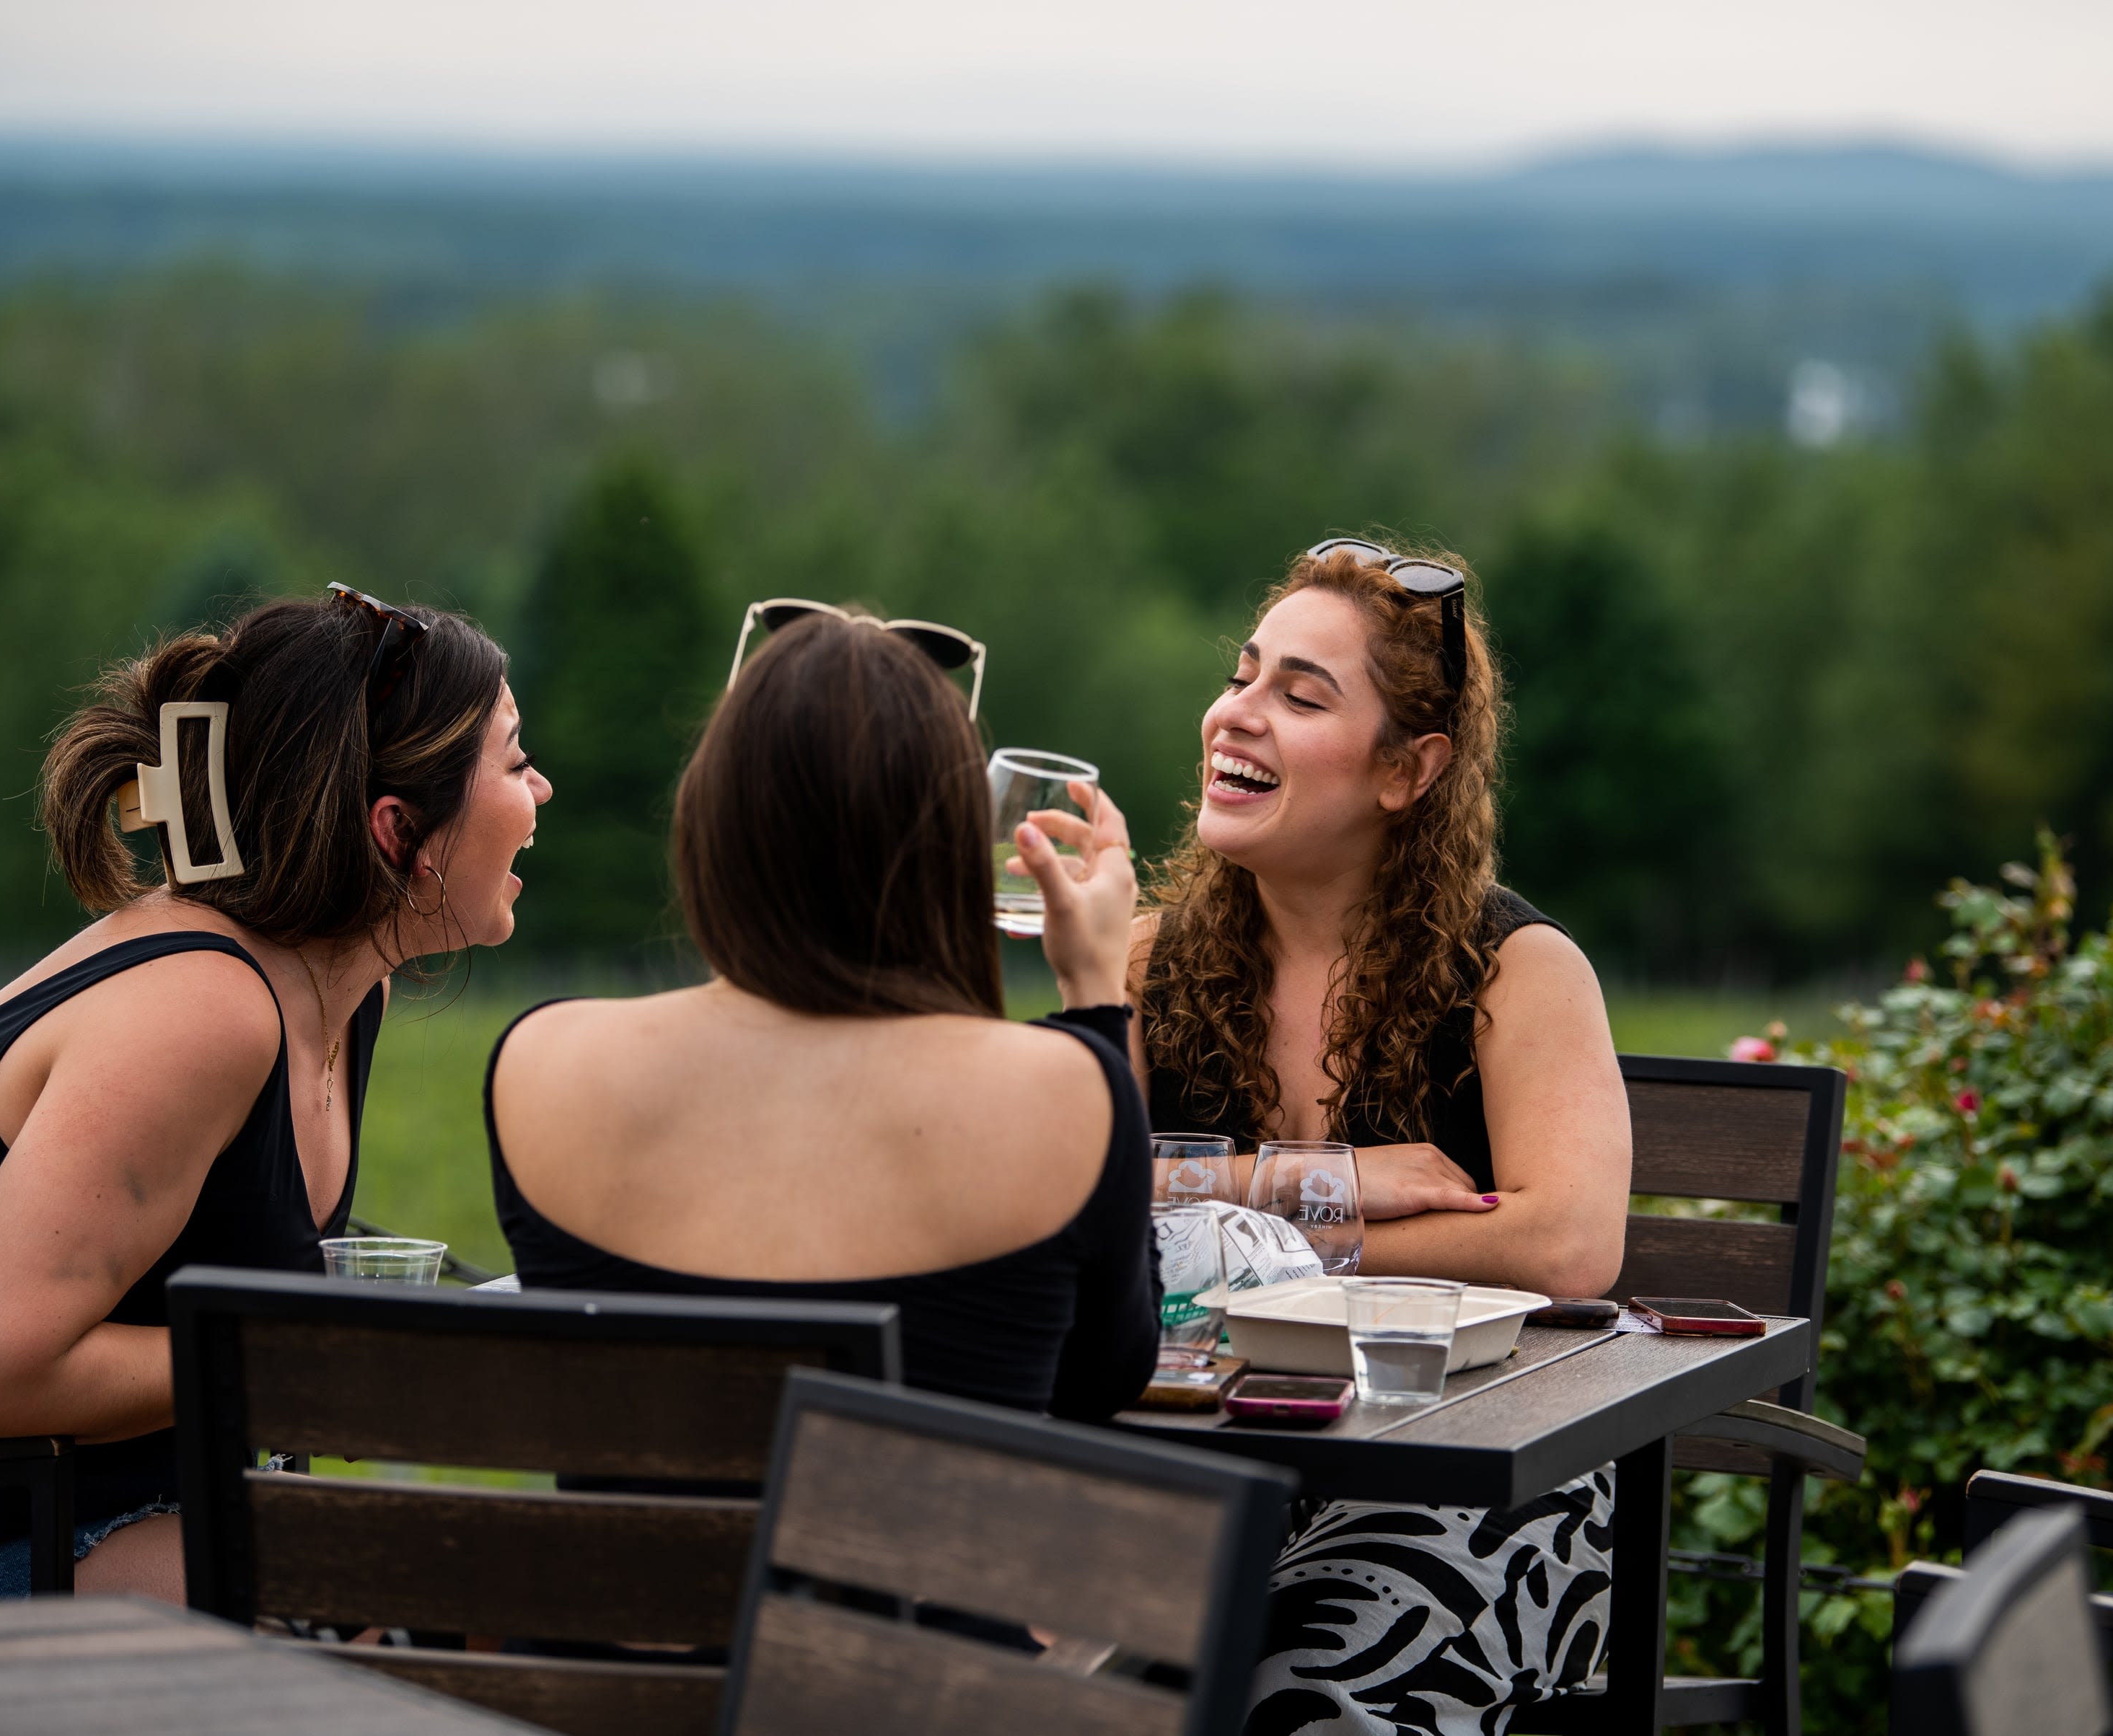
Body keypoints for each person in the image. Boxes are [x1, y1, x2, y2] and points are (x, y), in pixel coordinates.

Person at [0, 587, 546, 1608]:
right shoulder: (203, 1009)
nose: (542, 787)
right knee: (437, 1604)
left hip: (59, 1481)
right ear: (399, 826)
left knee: (474, 1597)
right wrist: (307, 1347)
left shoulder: (333, 987)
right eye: (513, 756)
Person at [1137, 538, 1634, 1733]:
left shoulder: (1515, 968)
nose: (1236, 714)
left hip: (1472, 1476)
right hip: (1212, 1453)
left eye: (1299, 696)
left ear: (1409, 771)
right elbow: (1077, 1191)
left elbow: (1566, 1245)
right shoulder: (1154, 960)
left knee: (1288, 1688)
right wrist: (1331, 1187)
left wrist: (1244, 1238)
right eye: (1244, 674)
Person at [486, 603, 1156, 1425]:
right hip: (914, 1557)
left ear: (714, 819)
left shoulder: (541, 1063)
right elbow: (1103, 1381)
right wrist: (1095, 994)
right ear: (948, 842)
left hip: (626, 1559)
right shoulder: (1068, 1093)